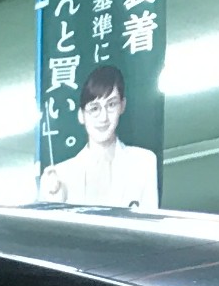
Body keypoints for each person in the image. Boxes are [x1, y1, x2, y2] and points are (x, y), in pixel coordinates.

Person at [38, 64, 160, 211]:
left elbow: (149, 221)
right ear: (81, 115)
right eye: (94, 108)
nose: (103, 117)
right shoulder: (60, 176)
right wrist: (54, 201)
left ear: (122, 105)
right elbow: (49, 225)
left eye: (111, 105)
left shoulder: (143, 162)